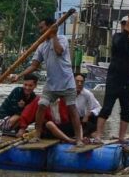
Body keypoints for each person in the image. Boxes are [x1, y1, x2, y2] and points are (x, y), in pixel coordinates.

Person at [13, 17, 84, 145]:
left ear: (50, 27)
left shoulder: (62, 39)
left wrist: (54, 35)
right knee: (41, 106)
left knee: (72, 109)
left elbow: (58, 51)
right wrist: (19, 75)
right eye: (39, 28)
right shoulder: (41, 46)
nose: (40, 31)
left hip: (66, 82)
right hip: (51, 84)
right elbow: (34, 65)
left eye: (42, 27)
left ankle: (79, 139)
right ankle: (37, 135)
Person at [94, 15, 129, 142]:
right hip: (114, 78)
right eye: (124, 24)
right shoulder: (117, 36)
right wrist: (127, 33)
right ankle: (98, 135)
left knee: (127, 110)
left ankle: (121, 137)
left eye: (128, 24)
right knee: (107, 108)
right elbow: (119, 45)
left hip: (127, 80)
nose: (125, 26)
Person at [73, 73, 101, 137]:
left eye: (81, 82)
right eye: (77, 82)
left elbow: (99, 108)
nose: (79, 84)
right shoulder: (68, 93)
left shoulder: (88, 94)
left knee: (96, 118)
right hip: (73, 119)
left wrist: (89, 114)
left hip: (84, 119)